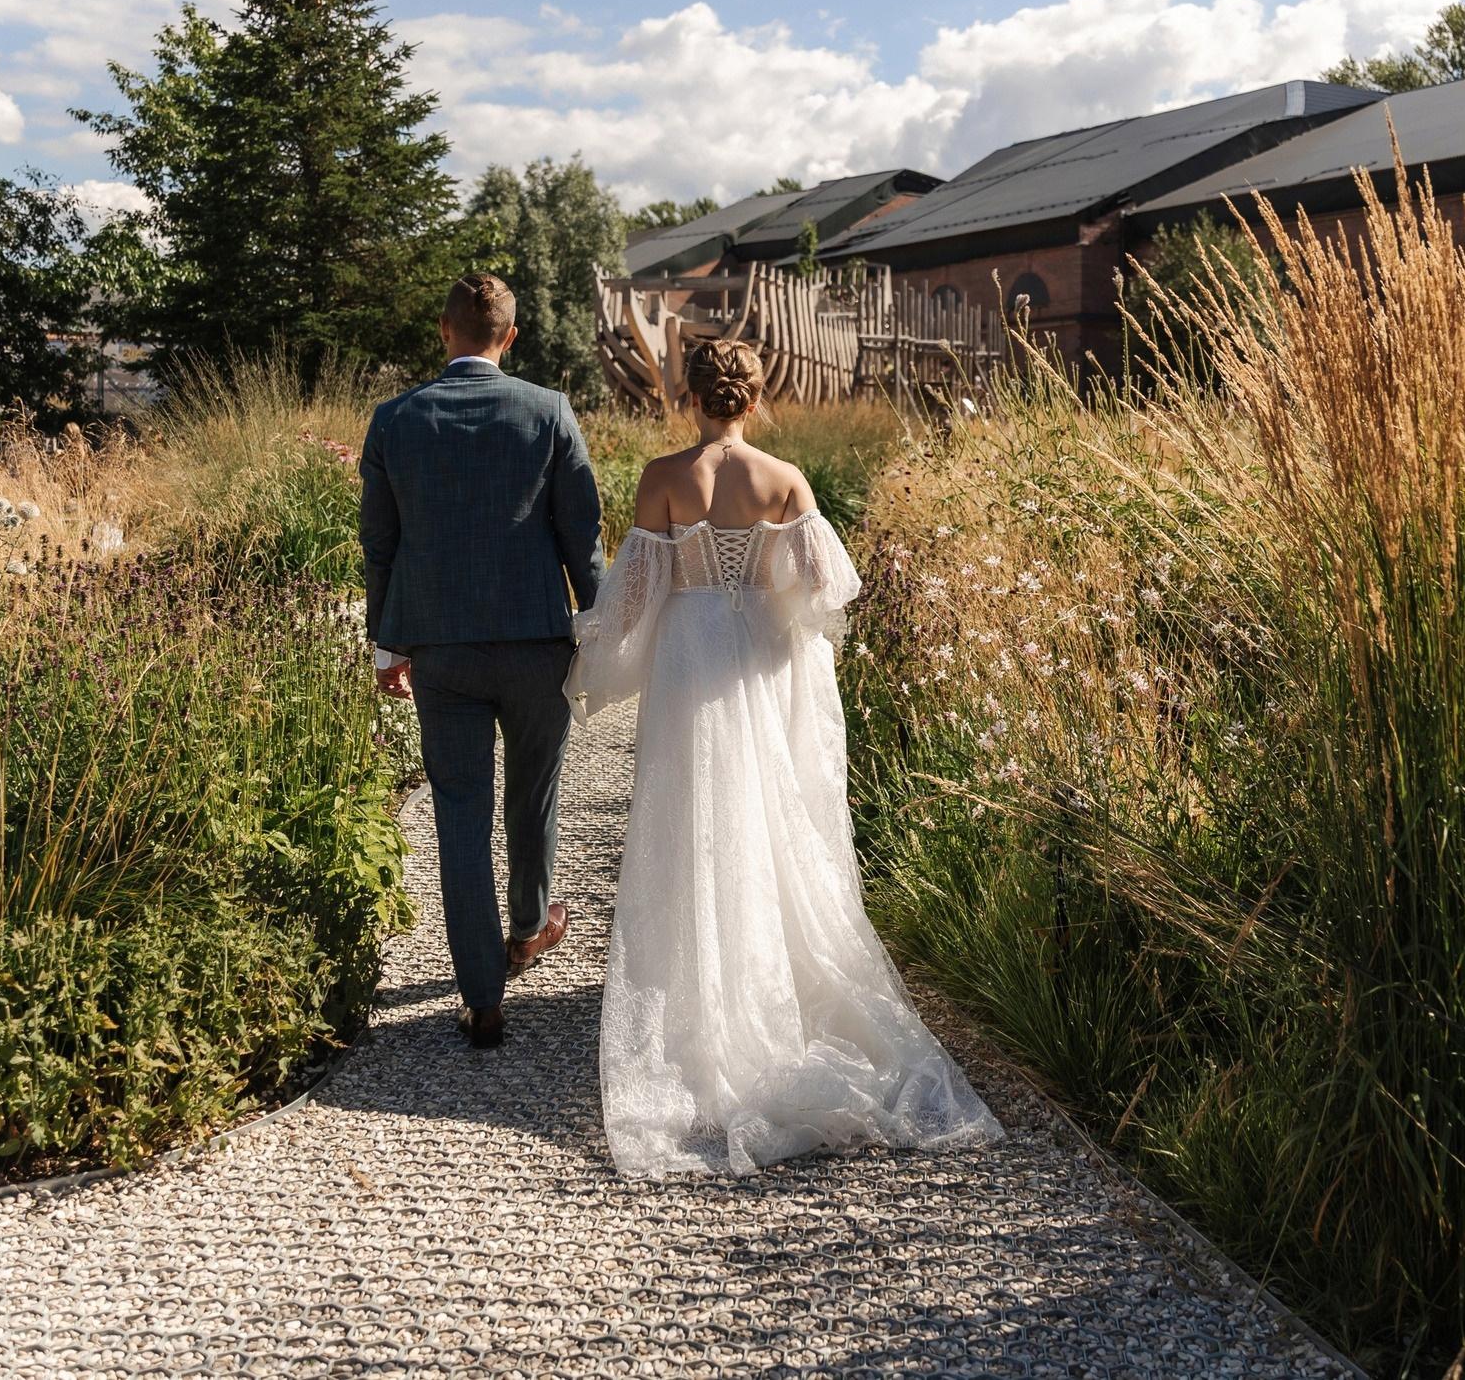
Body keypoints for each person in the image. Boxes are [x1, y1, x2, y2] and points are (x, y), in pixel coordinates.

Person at [567, 340, 1003, 1178]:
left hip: (690, 657)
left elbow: (630, 598)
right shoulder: (786, 479)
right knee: (762, 818)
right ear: (755, 398)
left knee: (693, 818)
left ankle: (701, 1002)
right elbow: (826, 595)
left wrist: (588, 649)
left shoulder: (661, 475)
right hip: (755, 660)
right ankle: (769, 992)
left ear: (688, 395)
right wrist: (766, 596)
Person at [358, 272, 605, 1051]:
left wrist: (386, 643)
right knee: (533, 794)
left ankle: (481, 995)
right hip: (536, 642)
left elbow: (380, 545)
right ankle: (530, 928)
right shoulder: (549, 410)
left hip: (443, 650)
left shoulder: (395, 420)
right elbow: (582, 532)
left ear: (444, 331)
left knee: (458, 810)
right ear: (511, 336)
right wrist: (598, 628)